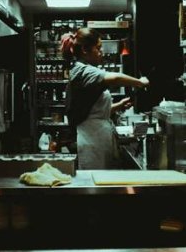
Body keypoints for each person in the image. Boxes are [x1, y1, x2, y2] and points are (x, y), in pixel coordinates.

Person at [60, 27, 149, 169]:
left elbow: (93, 113)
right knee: (95, 179)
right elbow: (115, 78)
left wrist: (119, 105)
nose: (101, 52)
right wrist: (140, 82)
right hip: (92, 141)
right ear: (85, 49)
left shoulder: (84, 69)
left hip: (97, 137)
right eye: (98, 48)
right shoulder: (83, 70)